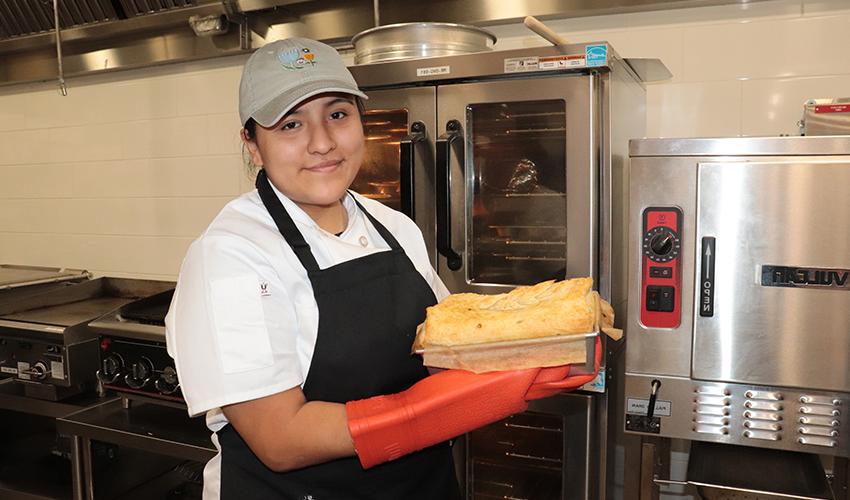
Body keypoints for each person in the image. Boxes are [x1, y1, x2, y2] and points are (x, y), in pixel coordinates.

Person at [165, 37, 598, 500]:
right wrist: (429, 413)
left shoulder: (393, 226)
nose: (323, 143)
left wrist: (520, 359)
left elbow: (441, 348)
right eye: (291, 124)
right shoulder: (230, 254)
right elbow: (280, 440)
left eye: (337, 114)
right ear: (252, 144)